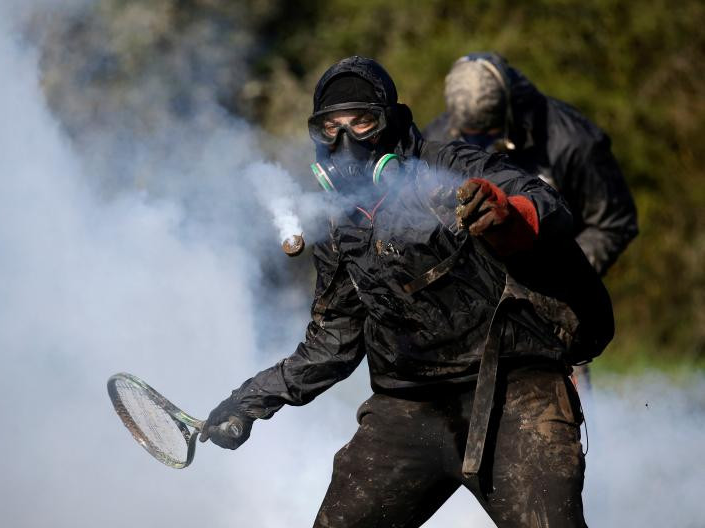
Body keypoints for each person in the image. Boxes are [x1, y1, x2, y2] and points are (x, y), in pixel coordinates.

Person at [200, 56, 613, 528]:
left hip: (516, 393)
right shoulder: (337, 223)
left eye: (361, 122)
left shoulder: (451, 165)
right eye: (330, 128)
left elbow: (547, 204)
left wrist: (507, 216)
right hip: (407, 408)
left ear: (390, 123)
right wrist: (250, 401)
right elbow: (332, 344)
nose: (345, 141)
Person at [423, 52, 638, 277]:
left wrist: (566, 278)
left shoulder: (574, 142)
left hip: (555, 271)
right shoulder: (440, 138)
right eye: (469, 137)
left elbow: (613, 224)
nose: (479, 148)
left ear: (509, 113)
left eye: (489, 136)